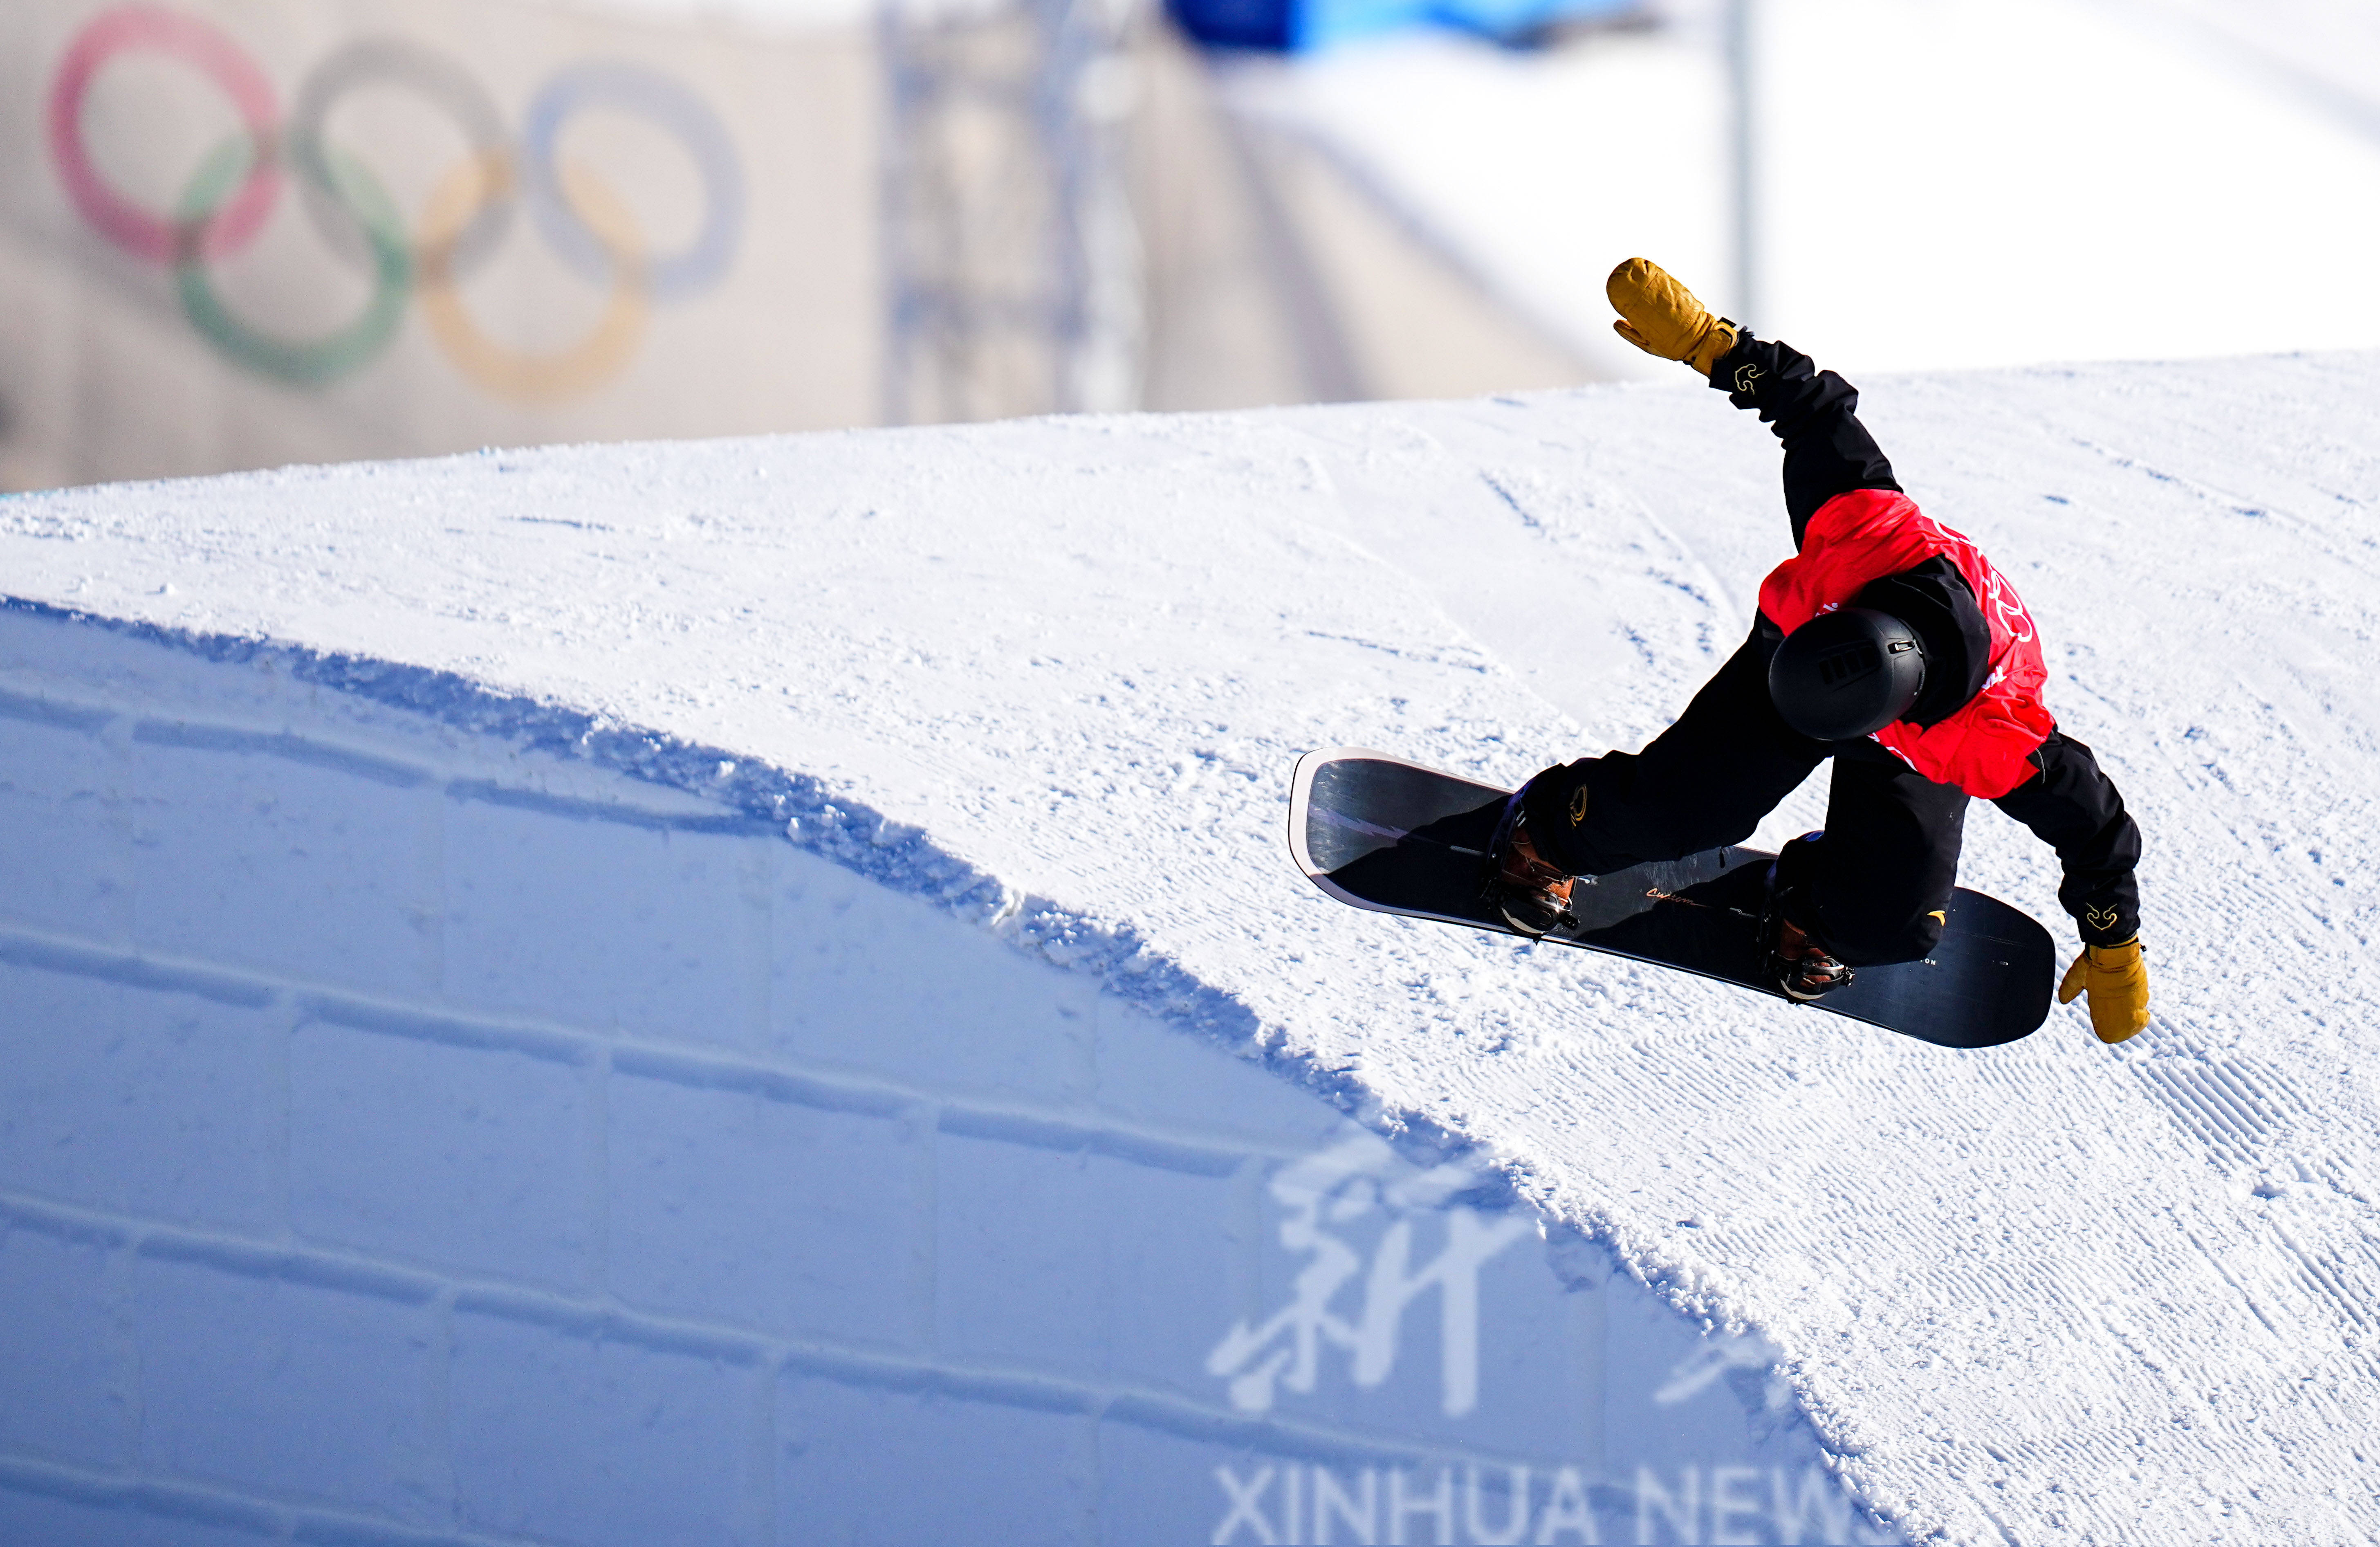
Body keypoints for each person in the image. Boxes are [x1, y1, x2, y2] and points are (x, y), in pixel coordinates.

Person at [1488, 258, 2151, 1043]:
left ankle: (1814, 901)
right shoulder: (1862, 531)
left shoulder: (1988, 735)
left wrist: (2113, 939)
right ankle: (1547, 831)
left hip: (1915, 735)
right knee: (1684, 814)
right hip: (1798, 656)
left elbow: (2096, 827)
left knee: (1888, 929)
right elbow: (1811, 406)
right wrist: (1709, 343)